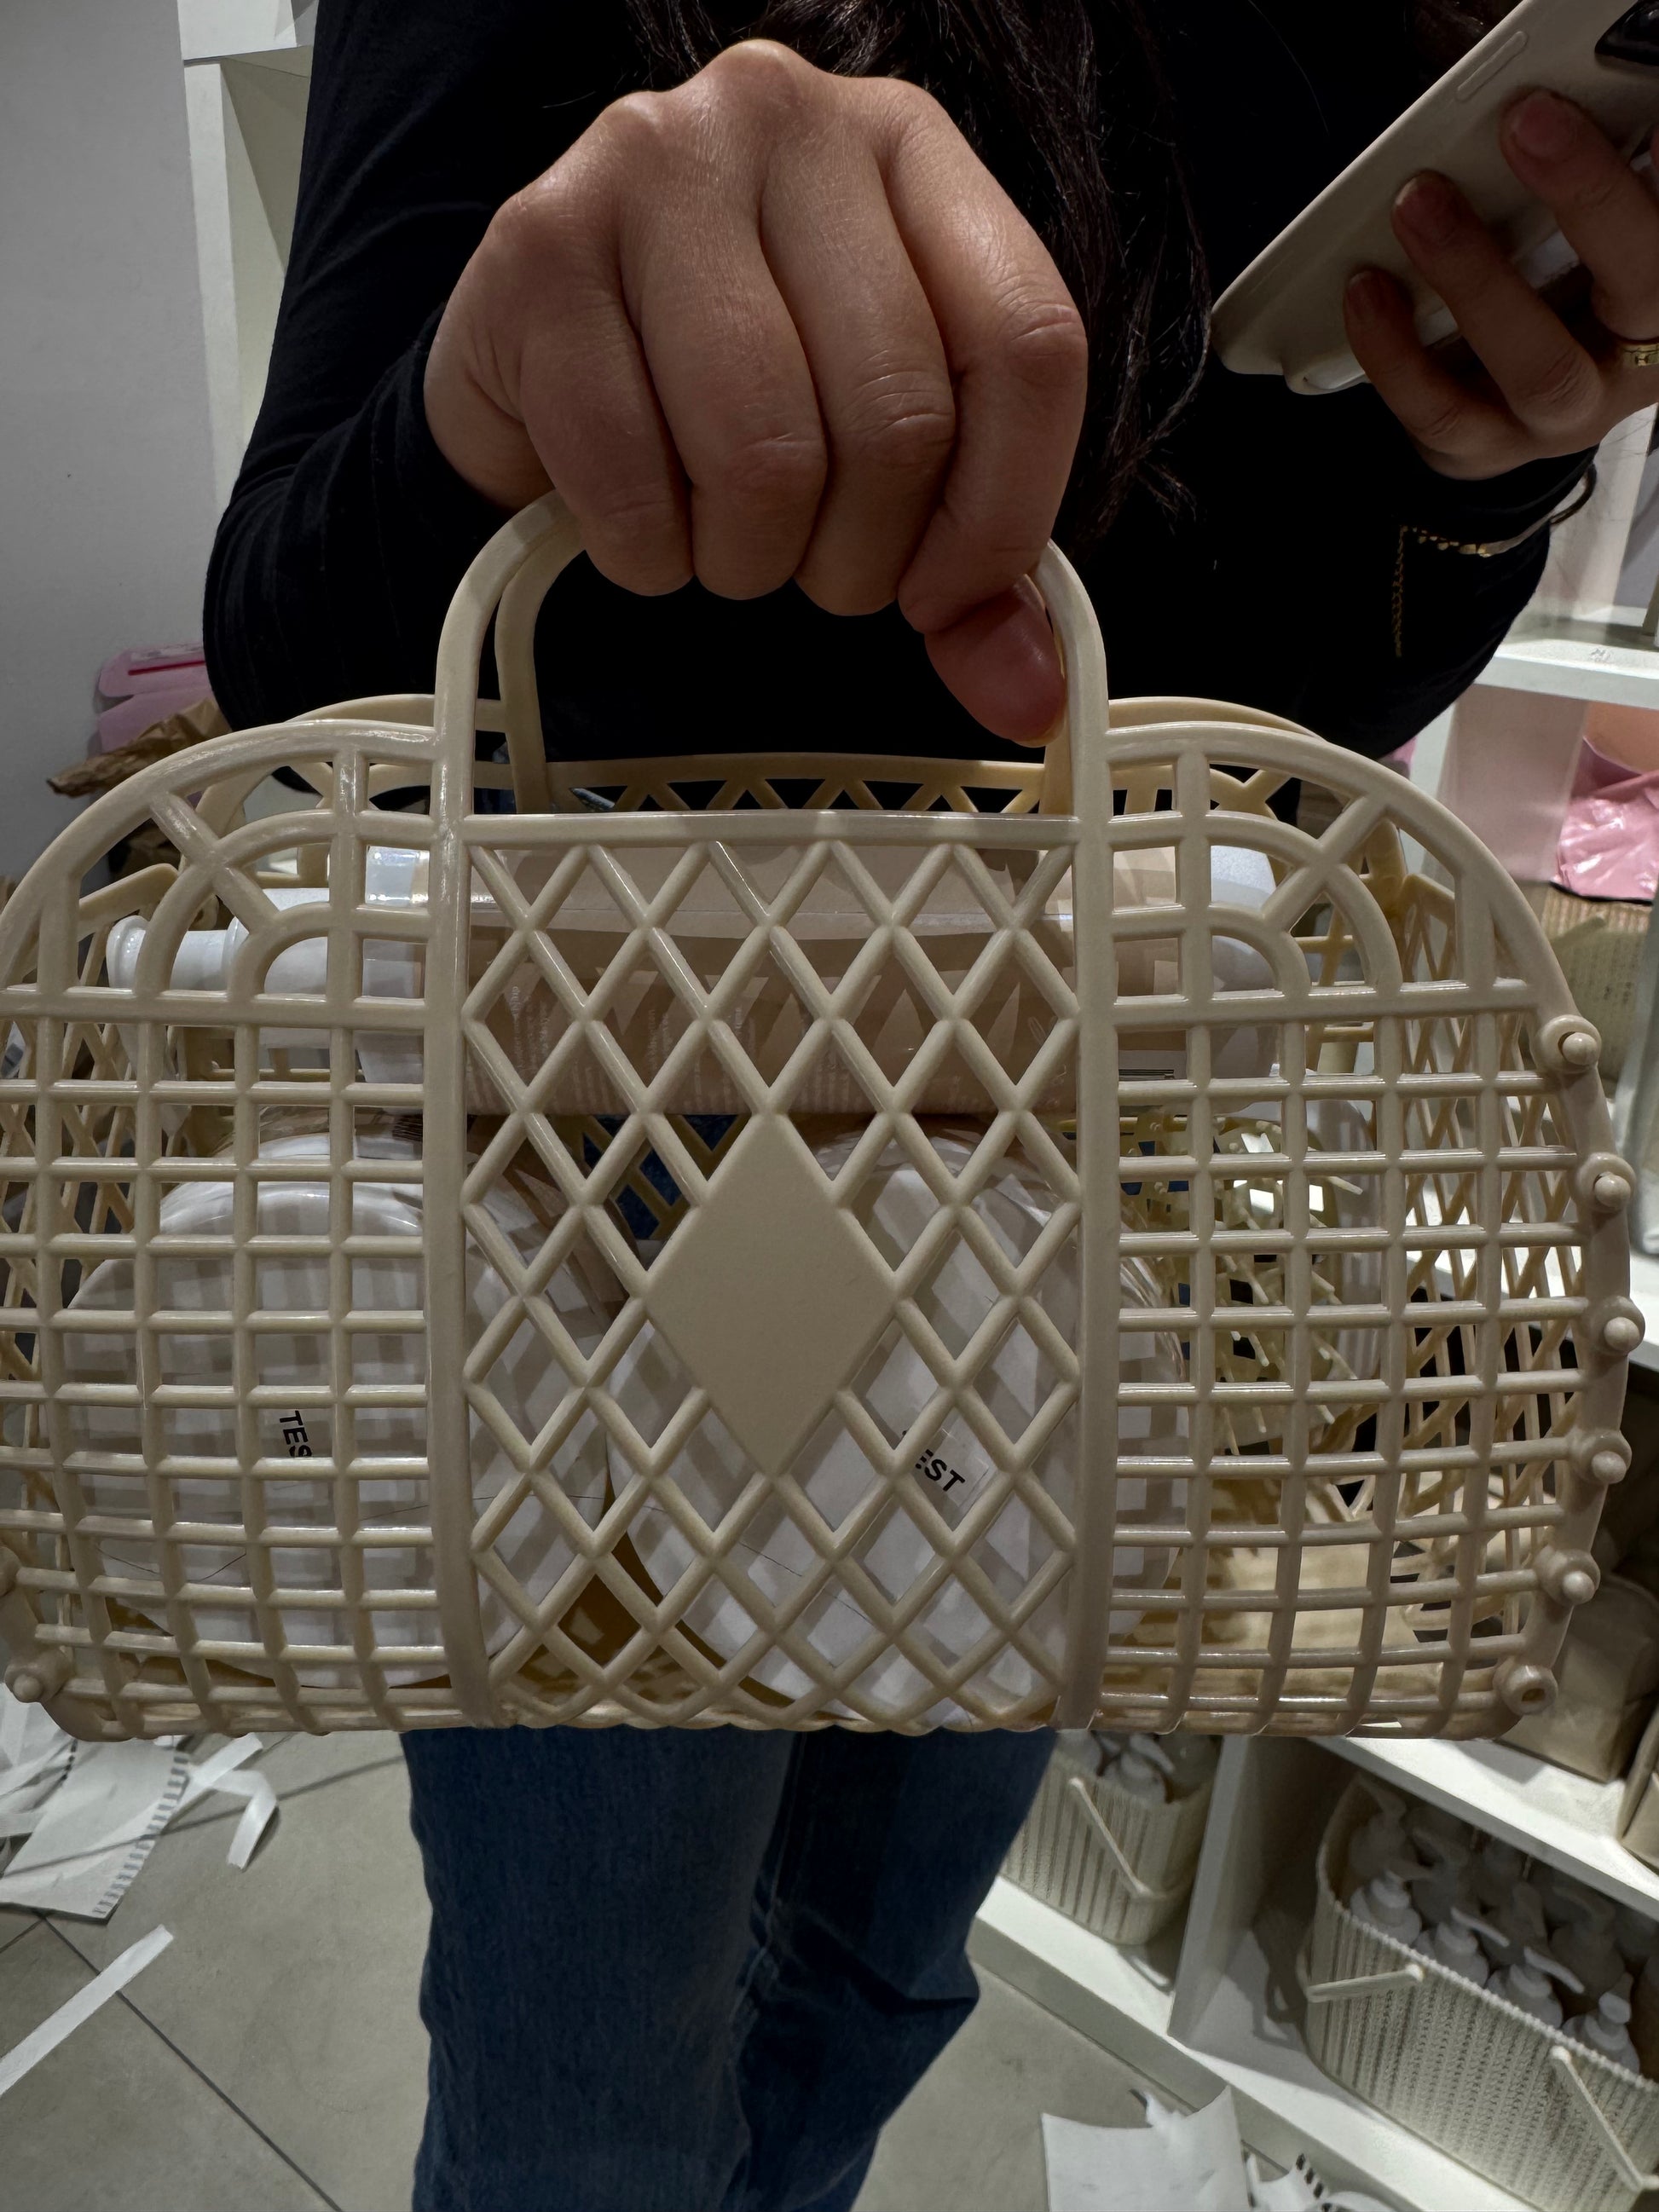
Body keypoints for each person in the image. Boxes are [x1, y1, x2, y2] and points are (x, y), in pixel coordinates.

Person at [204, 4, 1659, 2207]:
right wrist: (493, 400)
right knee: (593, 2073)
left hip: (1055, 1160)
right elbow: (296, 652)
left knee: (881, 1967)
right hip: (591, 1152)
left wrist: (1472, 471)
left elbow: (1277, 716)